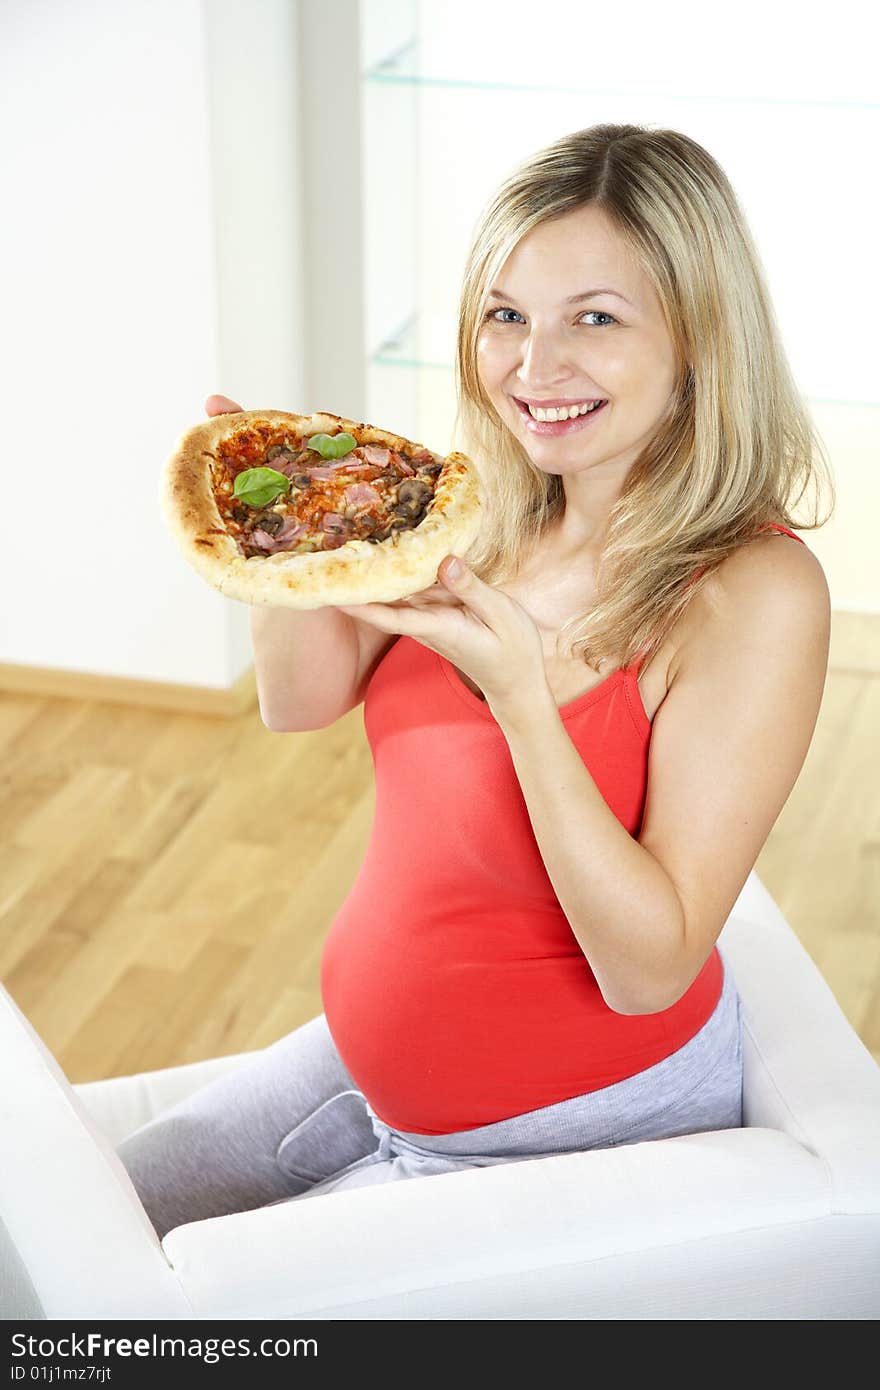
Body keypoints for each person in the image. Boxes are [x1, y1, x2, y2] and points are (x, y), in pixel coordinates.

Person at [119, 123, 833, 1240]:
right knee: (63, 1235)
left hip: (570, 1125)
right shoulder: (477, 505)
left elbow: (648, 967)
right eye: (505, 314)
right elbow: (296, 700)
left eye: (594, 318)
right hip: (368, 1066)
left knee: (133, 1320)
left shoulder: (753, 593)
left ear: (698, 336)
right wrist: (279, 539)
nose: (533, 369)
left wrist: (521, 702)